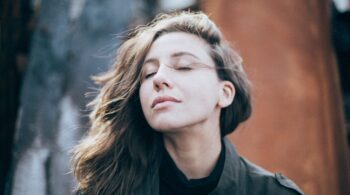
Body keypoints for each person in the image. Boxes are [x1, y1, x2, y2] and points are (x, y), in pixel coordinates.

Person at [72, 11, 304, 195]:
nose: (159, 79)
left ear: (224, 93)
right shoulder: (103, 190)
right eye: (148, 73)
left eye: (184, 66)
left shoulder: (271, 192)